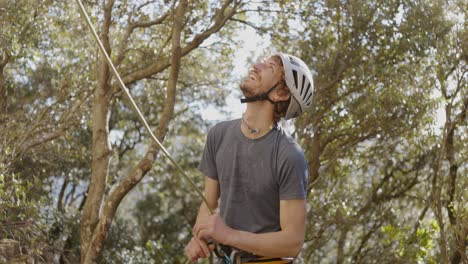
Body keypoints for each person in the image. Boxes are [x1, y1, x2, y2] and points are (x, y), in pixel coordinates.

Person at [184, 52, 314, 264]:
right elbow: (209, 203)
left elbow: (292, 242)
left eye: (269, 68)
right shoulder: (219, 134)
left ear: (281, 93)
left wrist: (227, 235)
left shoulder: (289, 155)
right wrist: (200, 236)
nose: (256, 66)